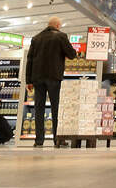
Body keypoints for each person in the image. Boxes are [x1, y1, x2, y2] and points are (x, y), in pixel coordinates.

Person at [25, 17, 78, 147]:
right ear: (58, 25)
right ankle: (57, 139)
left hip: (37, 77)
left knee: (39, 108)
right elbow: (71, 54)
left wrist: (28, 80)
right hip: (54, 76)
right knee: (56, 108)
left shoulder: (36, 38)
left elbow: (29, 60)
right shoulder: (61, 36)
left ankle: (39, 141)